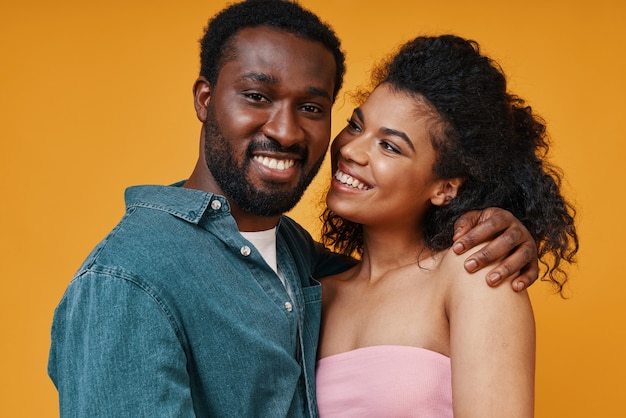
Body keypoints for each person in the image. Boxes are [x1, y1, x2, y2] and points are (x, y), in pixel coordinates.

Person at [48, 1, 541, 416]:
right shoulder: (128, 280)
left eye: (311, 108)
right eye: (257, 96)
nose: (285, 132)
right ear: (205, 98)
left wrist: (507, 227)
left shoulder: (300, 264)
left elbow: (401, 277)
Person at [315, 34, 579, 417]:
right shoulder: (315, 292)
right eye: (356, 126)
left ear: (445, 187)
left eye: (390, 146)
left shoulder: (475, 275)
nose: (351, 150)